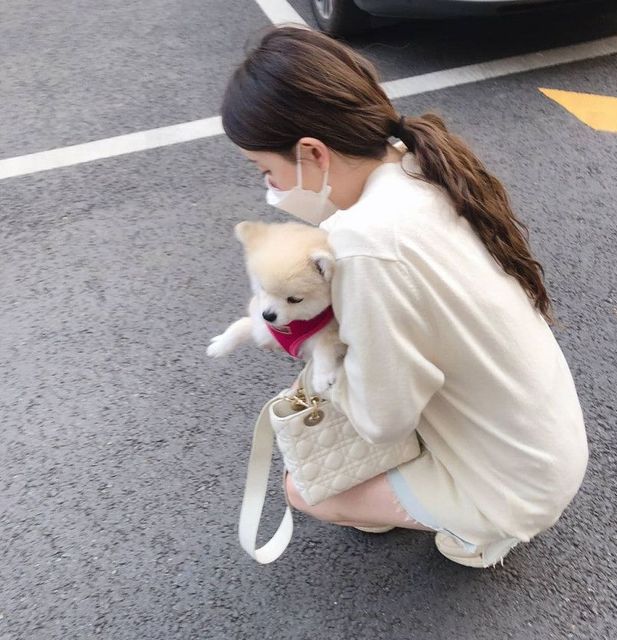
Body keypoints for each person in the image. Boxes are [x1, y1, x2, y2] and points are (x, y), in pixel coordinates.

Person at [220, 25, 589, 568]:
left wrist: (310, 355)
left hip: (514, 486)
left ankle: (480, 529)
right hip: (547, 446)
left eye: (267, 171)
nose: (271, 188)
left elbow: (382, 421)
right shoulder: (417, 167)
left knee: (305, 490)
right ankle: (426, 498)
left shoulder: (364, 245)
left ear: (312, 152)